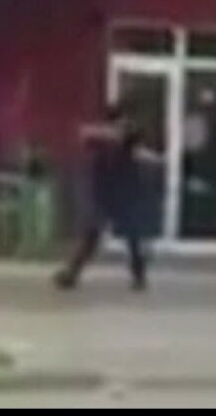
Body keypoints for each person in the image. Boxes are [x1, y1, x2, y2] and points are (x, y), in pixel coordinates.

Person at [53, 102, 162, 292]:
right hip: (109, 193)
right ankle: (72, 274)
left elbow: (135, 145)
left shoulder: (129, 135)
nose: (122, 124)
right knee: (95, 236)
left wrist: (151, 157)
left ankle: (138, 277)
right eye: (119, 121)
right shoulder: (104, 137)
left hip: (120, 192)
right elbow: (87, 137)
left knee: (130, 238)